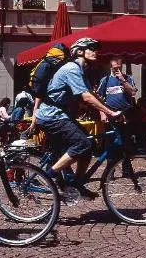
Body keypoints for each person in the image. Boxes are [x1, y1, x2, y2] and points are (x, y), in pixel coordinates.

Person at [34, 37, 122, 199]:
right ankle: (49, 175)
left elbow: (91, 96)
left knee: (87, 147)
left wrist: (104, 112)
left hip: (60, 115)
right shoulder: (71, 69)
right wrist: (109, 112)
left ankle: (76, 184)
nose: (96, 51)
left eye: (96, 49)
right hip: (52, 115)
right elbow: (86, 96)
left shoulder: (82, 71)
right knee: (83, 144)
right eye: (91, 48)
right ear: (80, 51)